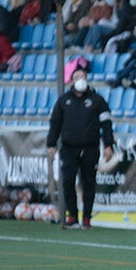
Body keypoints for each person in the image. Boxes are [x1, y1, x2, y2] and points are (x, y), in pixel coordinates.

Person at [46, 66, 115, 230]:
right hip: (69, 148)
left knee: (89, 183)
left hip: (90, 148)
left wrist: (109, 145)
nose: (80, 80)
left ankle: (86, 218)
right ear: (71, 81)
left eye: (83, 76)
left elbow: (106, 124)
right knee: (68, 181)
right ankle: (72, 216)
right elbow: (55, 123)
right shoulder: (63, 100)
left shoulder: (98, 100)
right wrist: (51, 144)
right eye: (77, 77)